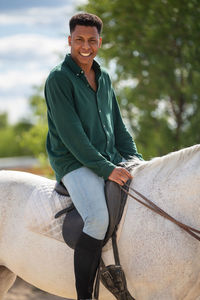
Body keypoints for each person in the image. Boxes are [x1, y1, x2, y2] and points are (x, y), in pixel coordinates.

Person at [44, 12, 143, 300]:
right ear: (69, 41)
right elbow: (73, 137)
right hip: (73, 161)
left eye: (91, 40)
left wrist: (135, 159)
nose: (85, 46)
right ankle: (85, 295)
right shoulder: (58, 80)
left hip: (108, 157)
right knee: (98, 219)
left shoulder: (105, 76)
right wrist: (107, 169)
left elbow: (119, 126)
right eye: (79, 40)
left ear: (99, 42)